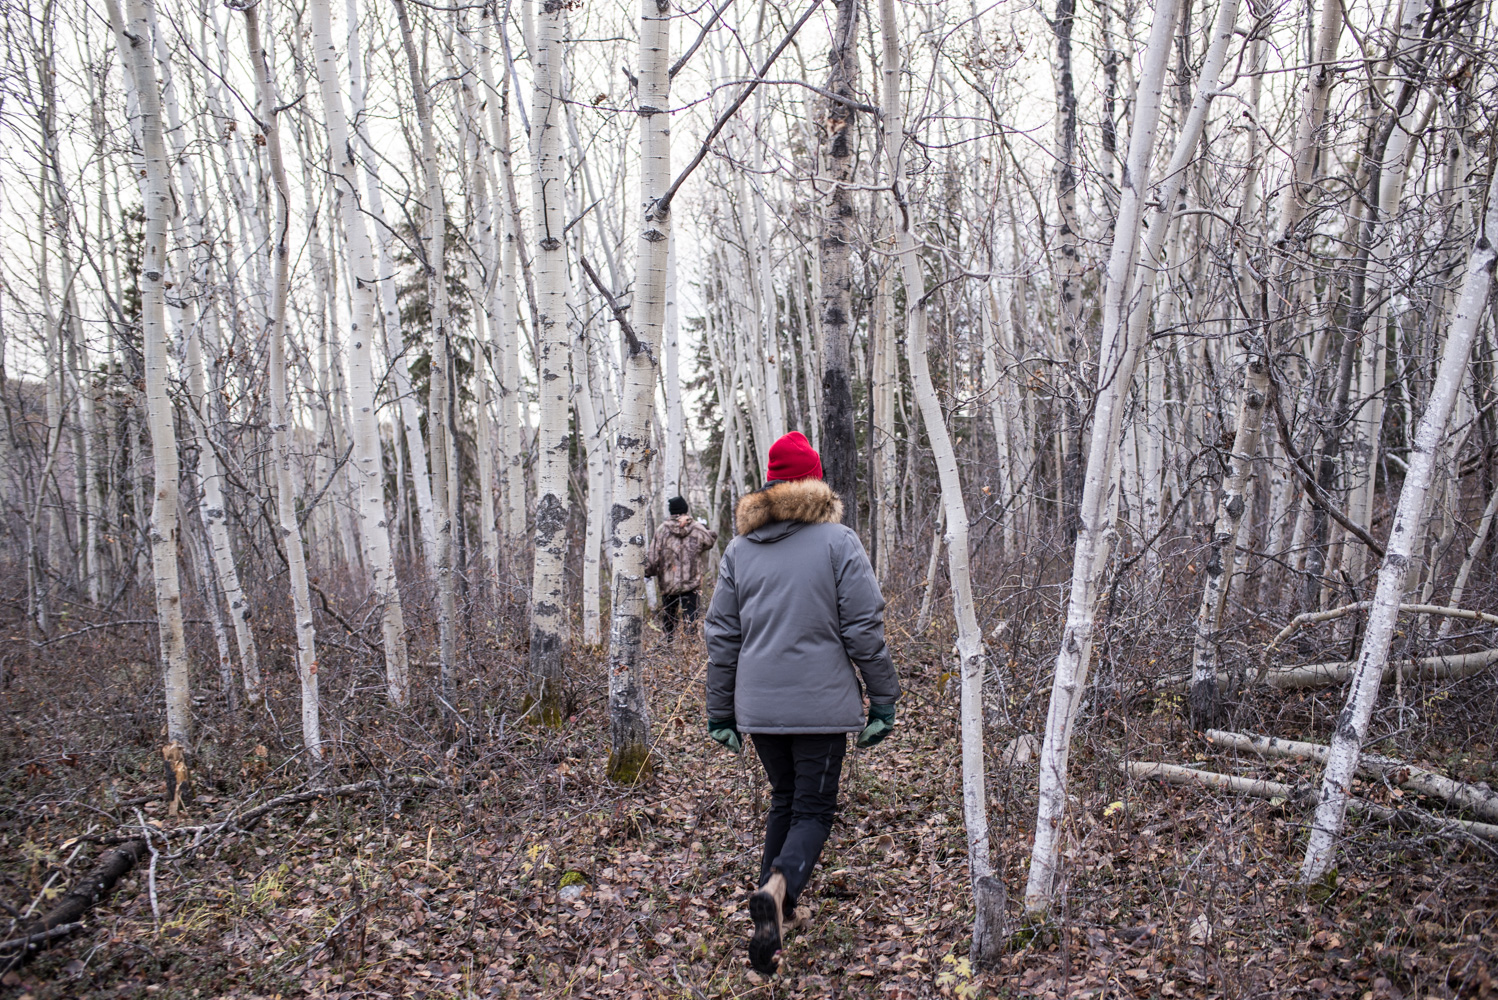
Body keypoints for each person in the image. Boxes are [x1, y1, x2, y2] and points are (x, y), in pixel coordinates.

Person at [703, 431, 900, 976]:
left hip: (760, 709)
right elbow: (864, 631)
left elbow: (722, 637)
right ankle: (780, 886)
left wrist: (720, 711)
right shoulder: (838, 542)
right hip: (820, 707)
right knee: (813, 809)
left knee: (785, 799)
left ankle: (774, 915)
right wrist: (883, 700)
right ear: (815, 481)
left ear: (769, 485)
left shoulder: (739, 552)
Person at [643, 495, 718, 637]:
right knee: (691, 618)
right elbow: (710, 540)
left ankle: (668, 645)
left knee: (669, 618)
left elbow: (653, 556)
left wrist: (647, 572)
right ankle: (690, 647)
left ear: (671, 511)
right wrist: (704, 527)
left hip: (668, 584)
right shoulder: (696, 527)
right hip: (691, 583)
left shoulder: (662, 530)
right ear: (685, 509)